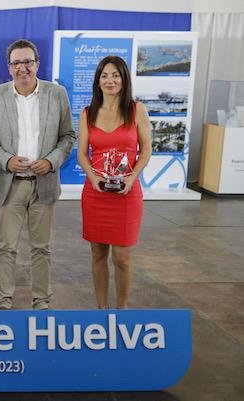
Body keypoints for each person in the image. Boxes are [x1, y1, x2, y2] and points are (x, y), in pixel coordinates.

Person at [0, 39, 75, 310]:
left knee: (41, 248)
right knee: (5, 248)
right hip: (11, 184)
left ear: (37, 64)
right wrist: (6, 160)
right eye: (16, 63)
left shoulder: (56, 94)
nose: (22, 68)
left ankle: (42, 303)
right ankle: (3, 303)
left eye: (27, 62)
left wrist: (51, 161)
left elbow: (67, 136)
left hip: (44, 183)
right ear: (9, 67)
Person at [77, 56, 152, 309]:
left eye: (116, 75)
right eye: (105, 76)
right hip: (95, 193)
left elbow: (146, 150)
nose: (110, 80)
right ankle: (102, 310)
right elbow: (81, 154)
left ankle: (121, 311)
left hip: (127, 193)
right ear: (98, 81)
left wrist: (132, 177)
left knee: (122, 258)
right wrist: (92, 176)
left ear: (124, 79)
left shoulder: (136, 109)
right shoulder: (88, 113)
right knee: (98, 253)